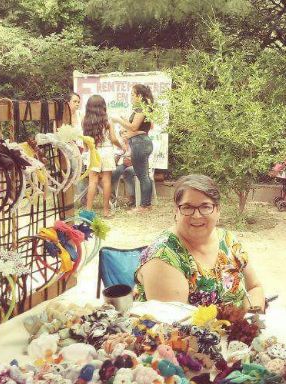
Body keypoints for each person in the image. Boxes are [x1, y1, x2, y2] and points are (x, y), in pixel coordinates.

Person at [133, 174, 266, 311]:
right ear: (176, 211)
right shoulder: (163, 257)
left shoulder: (228, 241)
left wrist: (252, 316)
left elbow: (254, 287)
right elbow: (173, 321)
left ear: (218, 210)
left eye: (205, 207)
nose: (196, 215)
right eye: (187, 207)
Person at [112, 84, 154, 213]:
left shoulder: (142, 109)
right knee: (144, 175)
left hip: (140, 144)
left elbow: (134, 127)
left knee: (143, 176)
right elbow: (140, 128)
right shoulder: (143, 109)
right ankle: (146, 205)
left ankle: (144, 206)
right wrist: (126, 122)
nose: (131, 97)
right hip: (141, 142)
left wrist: (118, 120)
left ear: (139, 96)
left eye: (132, 94)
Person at [83, 94, 122, 218]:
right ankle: (106, 211)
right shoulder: (107, 120)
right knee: (106, 181)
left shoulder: (85, 121)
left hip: (93, 151)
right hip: (107, 150)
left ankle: (88, 212)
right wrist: (121, 146)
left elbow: (85, 141)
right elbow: (113, 139)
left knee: (92, 181)